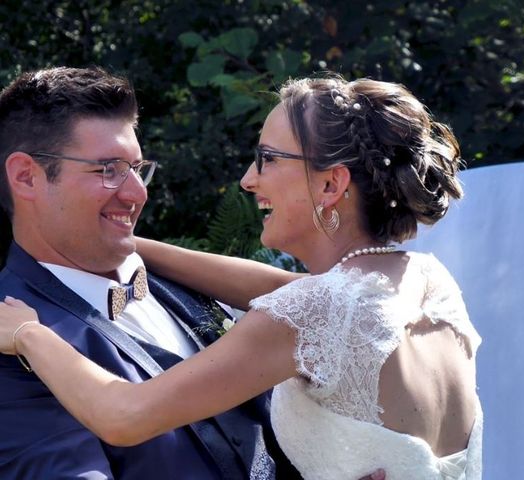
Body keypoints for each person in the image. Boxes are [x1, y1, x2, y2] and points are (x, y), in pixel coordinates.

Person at [0, 75, 483, 479]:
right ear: (24, 178)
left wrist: (28, 334)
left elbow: (125, 415)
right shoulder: (422, 282)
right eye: (108, 169)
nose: (248, 179)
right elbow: (278, 289)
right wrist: (115, 242)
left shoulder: (310, 311)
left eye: (268, 159)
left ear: (332, 184)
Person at [0, 66, 303, 479]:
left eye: (137, 169)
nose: (138, 193)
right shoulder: (10, 340)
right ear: (25, 177)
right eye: (108, 169)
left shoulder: (185, 283)